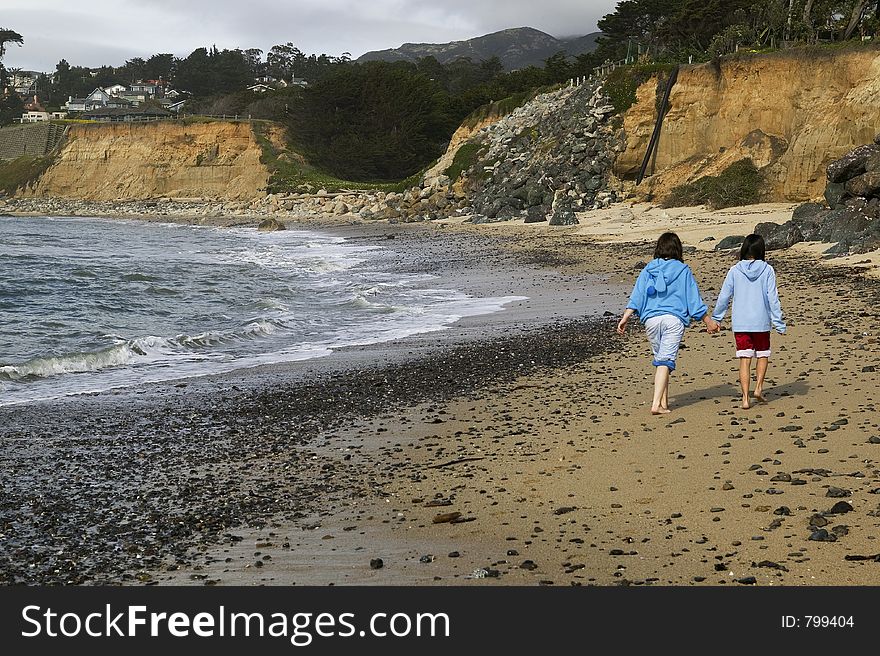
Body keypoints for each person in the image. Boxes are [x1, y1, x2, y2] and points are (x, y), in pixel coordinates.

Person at [617, 232, 719, 414]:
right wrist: (708, 321)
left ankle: (664, 403)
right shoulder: (683, 270)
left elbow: (637, 295)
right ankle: (656, 405)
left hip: (651, 320)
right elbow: (693, 300)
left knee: (661, 360)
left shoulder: (648, 269)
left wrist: (626, 317)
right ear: (677, 249)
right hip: (673, 320)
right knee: (665, 360)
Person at [710, 233, 786, 409]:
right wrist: (778, 322)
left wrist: (716, 318)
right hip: (761, 322)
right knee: (763, 355)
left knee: (745, 358)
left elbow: (724, 296)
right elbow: (772, 298)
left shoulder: (735, 270)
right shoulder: (767, 270)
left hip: (741, 322)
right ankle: (758, 388)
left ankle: (745, 398)